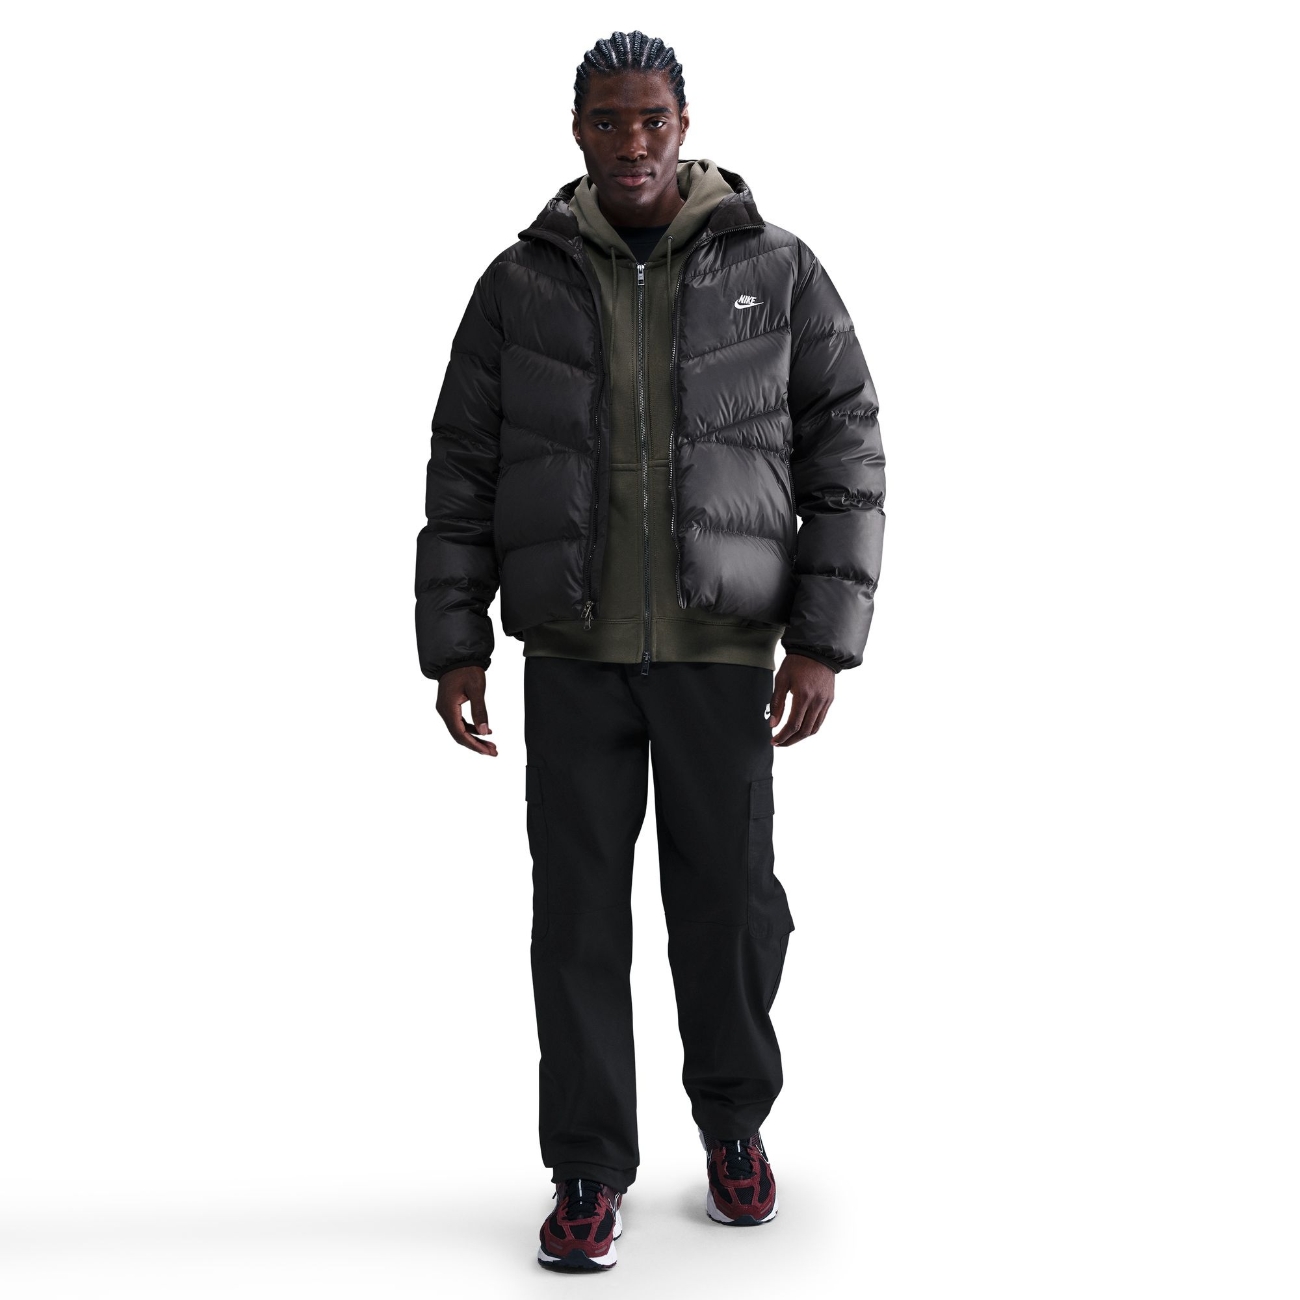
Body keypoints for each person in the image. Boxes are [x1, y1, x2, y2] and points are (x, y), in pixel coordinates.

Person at [414, 30, 885, 1272]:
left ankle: (732, 1125)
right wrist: (455, 640)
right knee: (576, 919)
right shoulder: (519, 284)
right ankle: (586, 1167)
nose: (633, 142)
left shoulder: (776, 270)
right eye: (610, 120)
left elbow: (846, 447)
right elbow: (462, 467)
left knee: (728, 907)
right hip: (571, 653)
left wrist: (821, 639)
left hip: (720, 652)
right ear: (576, 129)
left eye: (652, 119)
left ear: (685, 124)